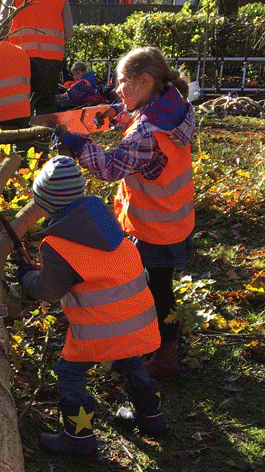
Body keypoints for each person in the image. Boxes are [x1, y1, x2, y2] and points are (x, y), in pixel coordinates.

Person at [53, 46, 196, 381]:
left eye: (121, 82)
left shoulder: (148, 131)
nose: (116, 89)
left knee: (155, 290)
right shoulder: (172, 104)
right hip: (174, 217)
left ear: (144, 81)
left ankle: (164, 356)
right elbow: (144, 115)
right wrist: (117, 111)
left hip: (155, 225)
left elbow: (110, 166)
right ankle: (163, 343)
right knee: (160, 286)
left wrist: (75, 144)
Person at [13, 156, 165, 455]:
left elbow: (49, 290)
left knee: (69, 373)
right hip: (139, 322)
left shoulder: (57, 245)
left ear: (45, 203)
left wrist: (25, 276)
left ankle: (78, 437)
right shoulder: (109, 226)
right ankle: (152, 417)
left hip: (99, 331)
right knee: (131, 361)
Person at [0, 0, 73, 116]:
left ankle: (24, 141)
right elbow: (69, 30)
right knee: (46, 105)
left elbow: (3, 24)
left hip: (21, 57)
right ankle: (45, 140)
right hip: (52, 59)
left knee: (22, 105)